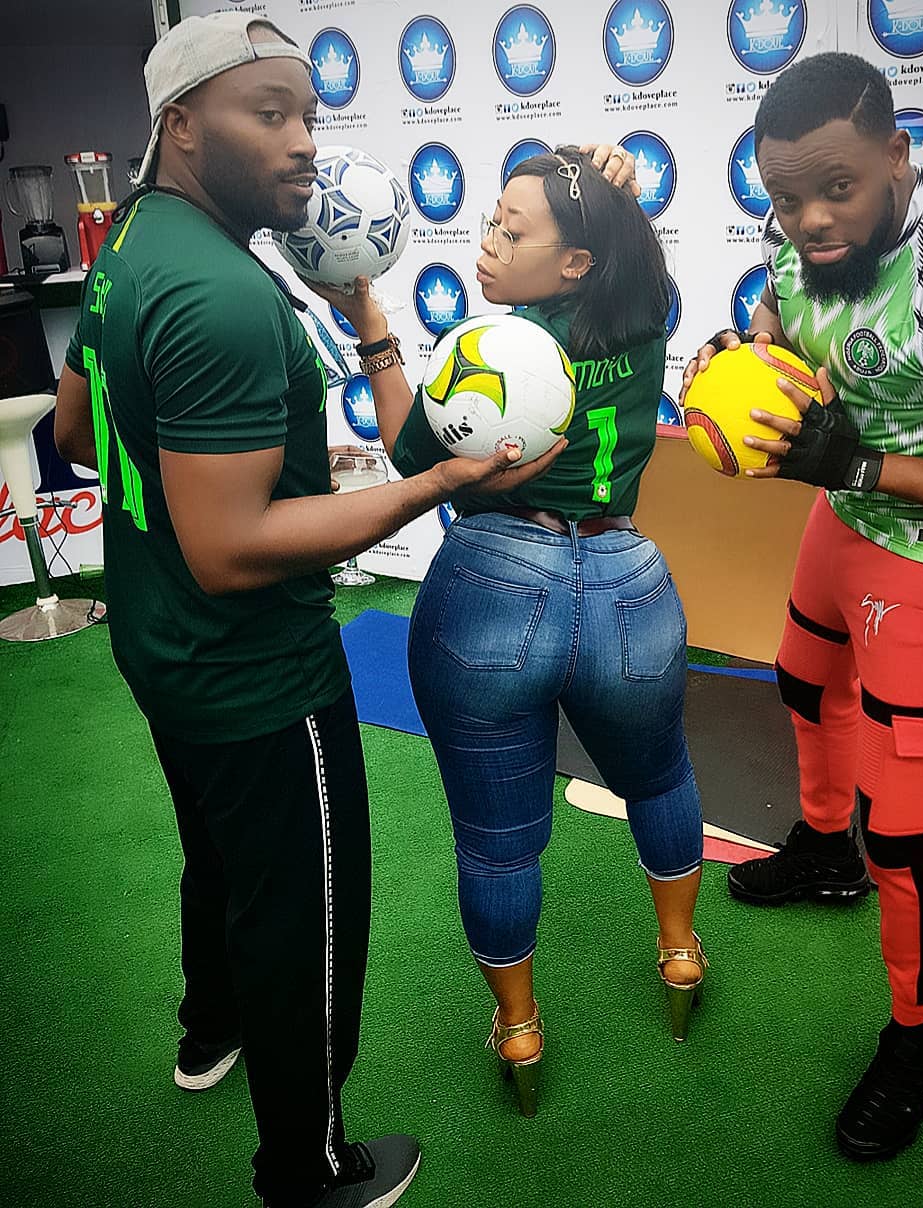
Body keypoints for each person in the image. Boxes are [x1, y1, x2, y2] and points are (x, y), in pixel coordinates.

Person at [53, 13, 559, 1207]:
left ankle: (208, 1029)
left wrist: (248, 456)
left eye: (309, 116)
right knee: (304, 921)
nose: (302, 144)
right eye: (268, 113)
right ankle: (310, 1169)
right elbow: (233, 549)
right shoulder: (225, 292)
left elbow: (76, 432)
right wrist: (434, 483)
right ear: (182, 125)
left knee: (220, 859)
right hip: (259, 674)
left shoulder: (129, 241)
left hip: (163, 646)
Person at [682, 51, 923, 1161]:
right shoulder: (797, 230)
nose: (811, 219)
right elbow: (781, 315)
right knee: (806, 680)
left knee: (905, 826)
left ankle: (920, 1033)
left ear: (898, 155)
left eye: (838, 189)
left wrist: (858, 465)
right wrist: (743, 361)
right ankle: (824, 851)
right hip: (848, 510)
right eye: (786, 198)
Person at [309, 146, 706, 1117]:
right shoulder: (644, 311)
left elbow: (410, 456)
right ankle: (680, 955)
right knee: (661, 779)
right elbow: (635, 254)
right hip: (628, 581)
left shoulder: (490, 348)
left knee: (497, 845)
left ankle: (520, 1028)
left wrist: (374, 333)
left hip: (493, 584)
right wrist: (615, 190)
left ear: (574, 262)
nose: (486, 243)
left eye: (511, 231)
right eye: (490, 221)